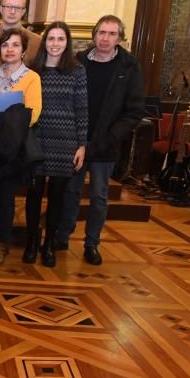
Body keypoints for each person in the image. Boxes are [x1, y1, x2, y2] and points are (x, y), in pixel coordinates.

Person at [54, 15, 144, 265]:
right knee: (70, 191)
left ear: (120, 38)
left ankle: (92, 243)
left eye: (112, 34)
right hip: (77, 140)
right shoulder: (78, 61)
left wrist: (111, 136)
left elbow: (134, 110)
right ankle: (62, 235)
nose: (105, 38)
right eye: (102, 33)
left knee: (99, 196)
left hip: (106, 143)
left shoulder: (129, 66)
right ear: (94, 35)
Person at [24, 22, 88, 267]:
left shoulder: (77, 71)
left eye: (60, 39)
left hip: (65, 142)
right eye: (51, 38)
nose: (55, 44)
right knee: (34, 195)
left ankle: (48, 243)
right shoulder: (33, 70)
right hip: (37, 140)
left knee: (58, 198)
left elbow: (82, 109)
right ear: (44, 42)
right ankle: (31, 241)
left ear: (67, 42)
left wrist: (82, 145)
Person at [0, 26, 42, 265]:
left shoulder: (31, 78)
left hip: (13, 144)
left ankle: (1, 243)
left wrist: (8, 117)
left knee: (5, 195)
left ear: (23, 50)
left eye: (15, 45)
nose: (10, 49)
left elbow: (34, 113)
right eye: (5, 45)